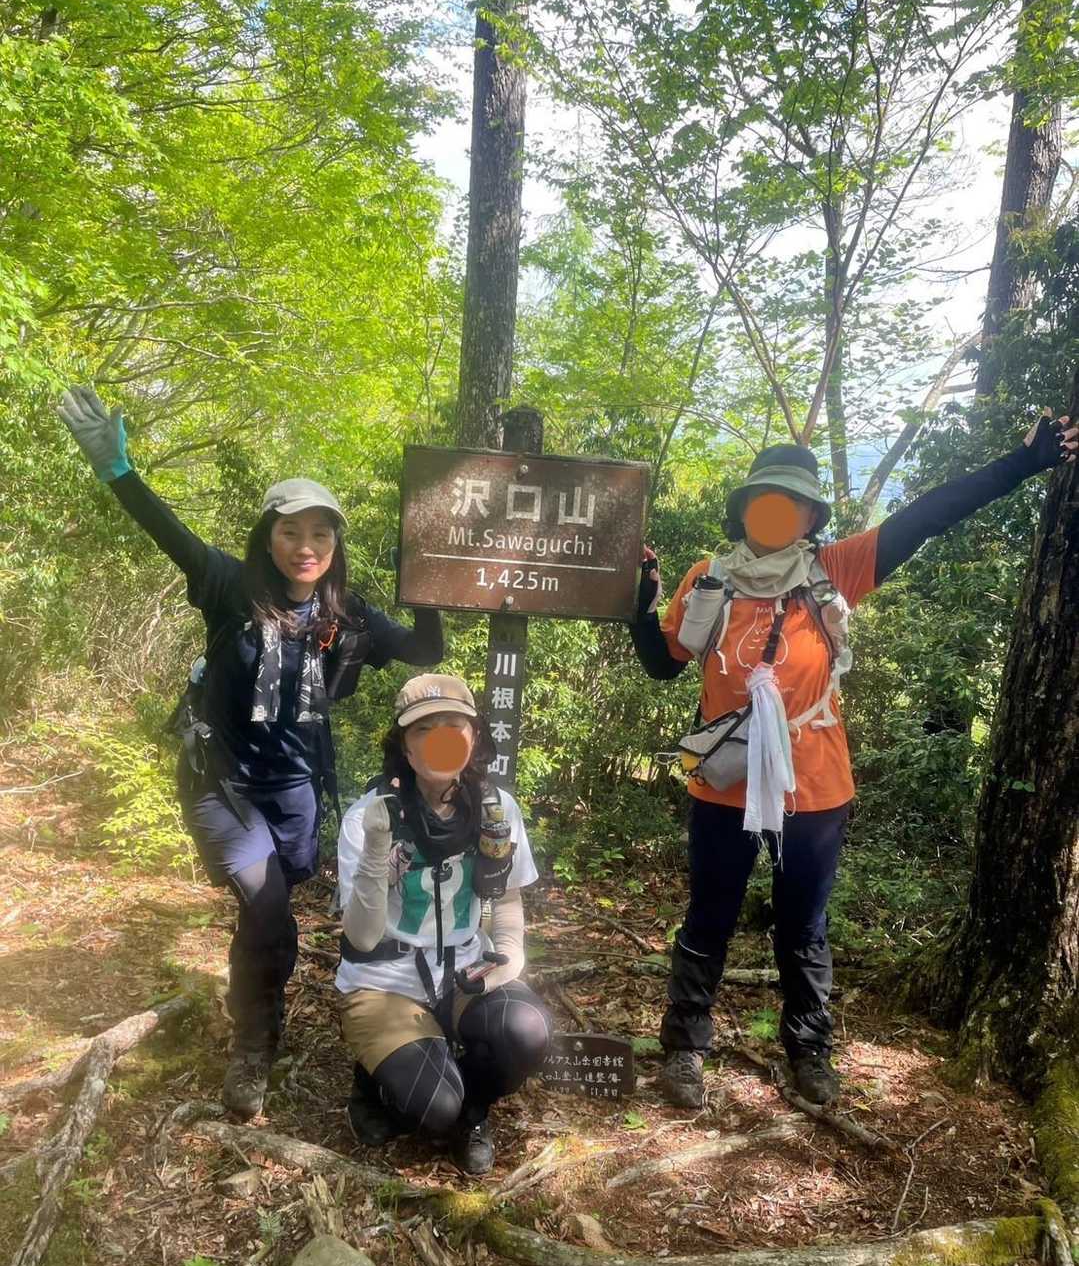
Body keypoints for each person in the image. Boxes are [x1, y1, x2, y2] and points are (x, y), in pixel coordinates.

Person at [631, 410, 1078, 1110]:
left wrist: (1022, 462)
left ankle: (808, 1049)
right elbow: (664, 664)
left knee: (802, 923)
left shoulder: (834, 569)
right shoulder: (708, 578)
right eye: (764, 501)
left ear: (811, 516)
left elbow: (928, 515)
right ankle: (685, 1047)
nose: (776, 513)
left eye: (791, 503)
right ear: (744, 509)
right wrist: (639, 608)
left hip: (812, 787)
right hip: (723, 782)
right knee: (709, 914)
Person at [57, 385, 444, 1118]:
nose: (306, 546)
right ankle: (254, 1043)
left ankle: (259, 1000)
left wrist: (422, 582)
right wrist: (117, 471)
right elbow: (166, 531)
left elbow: (426, 650)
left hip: (295, 789)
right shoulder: (230, 586)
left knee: (268, 913)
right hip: (222, 781)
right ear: (268, 537)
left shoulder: (346, 614)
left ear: (335, 546)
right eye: (291, 531)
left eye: (320, 534)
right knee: (267, 909)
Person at [335, 673, 550, 1175]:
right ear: (404, 747)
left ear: (474, 737)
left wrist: (509, 959)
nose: (441, 740)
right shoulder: (370, 817)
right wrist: (376, 851)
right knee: (433, 1106)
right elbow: (361, 935)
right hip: (385, 980)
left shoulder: (496, 808)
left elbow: (508, 898)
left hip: (464, 969)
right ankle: (372, 1082)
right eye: (423, 729)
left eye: (454, 726)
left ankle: (473, 1115)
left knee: (527, 1031)